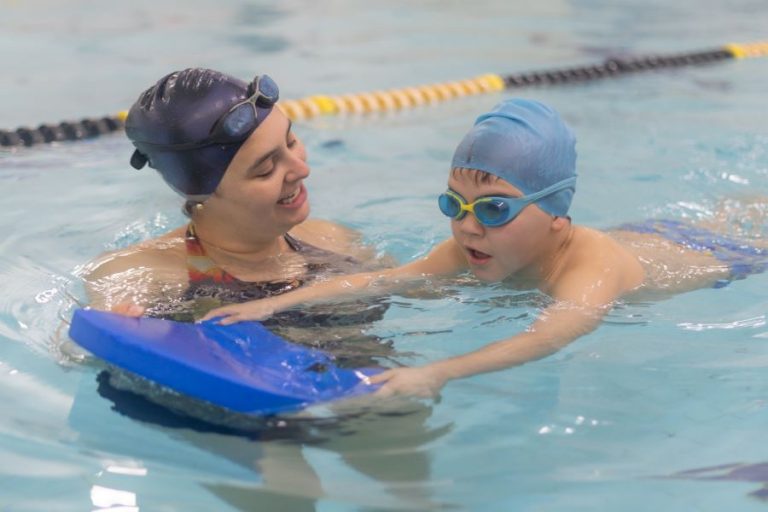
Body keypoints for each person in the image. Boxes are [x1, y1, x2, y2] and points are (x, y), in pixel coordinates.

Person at [202, 98, 768, 397]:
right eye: (455, 205)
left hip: (723, 257)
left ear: (555, 216)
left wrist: (439, 372)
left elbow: (546, 336)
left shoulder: (592, 269)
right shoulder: (475, 247)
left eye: (495, 209)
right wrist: (268, 305)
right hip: (655, 228)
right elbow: (378, 281)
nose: (469, 227)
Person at [81, 68, 392, 362]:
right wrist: (114, 336)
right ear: (202, 192)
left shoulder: (336, 241)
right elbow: (78, 349)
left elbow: (421, 286)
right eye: (266, 170)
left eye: (291, 141)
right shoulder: (142, 274)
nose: (302, 169)